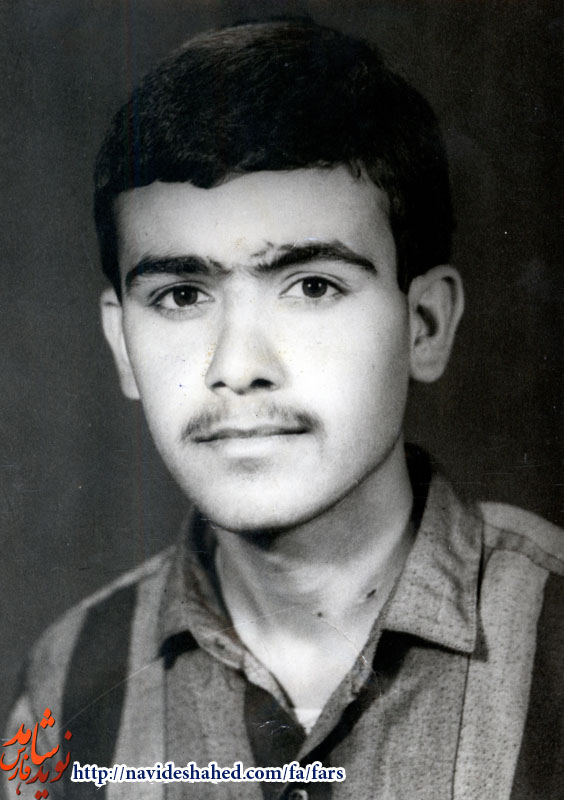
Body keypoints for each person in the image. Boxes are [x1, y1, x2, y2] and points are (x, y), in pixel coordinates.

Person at [3, 18, 563, 800]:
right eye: (182, 296)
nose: (237, 368)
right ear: (124, 346)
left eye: (313, 286)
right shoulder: (66, 687)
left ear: (425, 325)